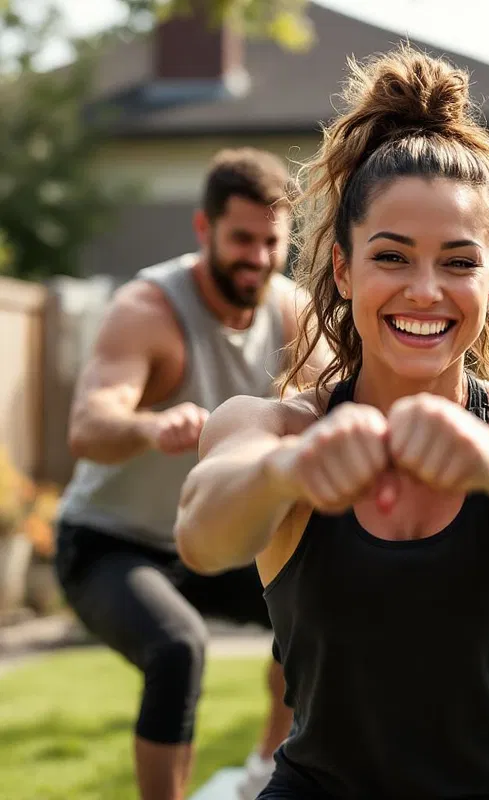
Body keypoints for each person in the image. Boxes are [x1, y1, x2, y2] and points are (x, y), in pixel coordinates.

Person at [174, 46, 489, 800]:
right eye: (392, 257)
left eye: (457, 262)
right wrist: (290, 472)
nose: (425, 291)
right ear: (344, 270)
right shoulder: (270, 428)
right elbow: (202, 532)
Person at [55, 148, 329, 800]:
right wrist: (152, 426)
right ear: (204, 231)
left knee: (317, 612)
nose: (257, 258)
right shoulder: (147, 310)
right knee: (178, 650)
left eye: (271, 243)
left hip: (211, 538)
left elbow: (336, 400)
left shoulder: (290, 312)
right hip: (111, 545)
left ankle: (266, 768)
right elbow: (87, 428)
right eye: (241, 240)